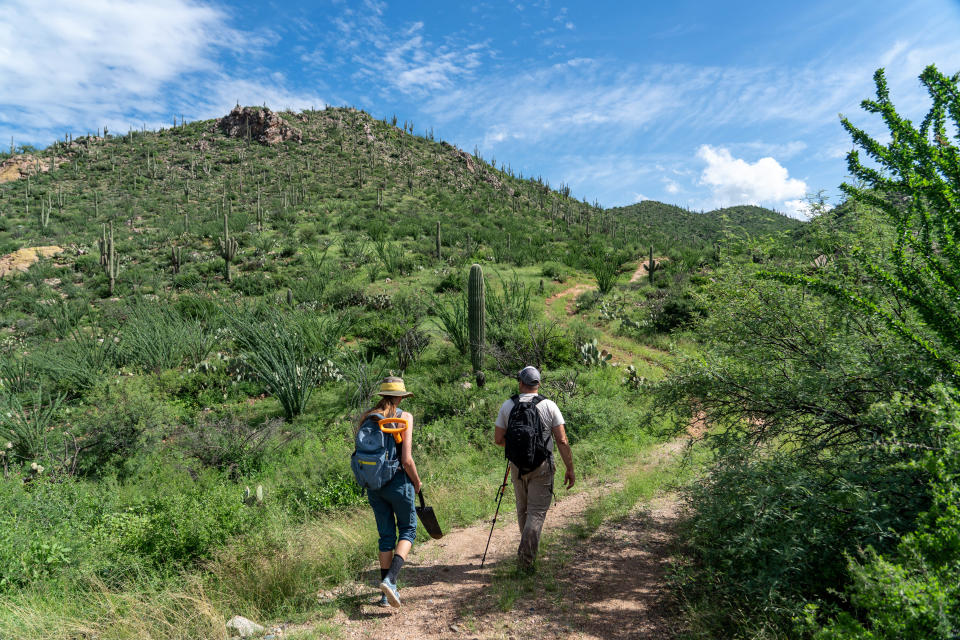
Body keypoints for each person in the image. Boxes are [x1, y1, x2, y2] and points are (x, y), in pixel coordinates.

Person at [494, 366, 575, 571]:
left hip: (516, 467)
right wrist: (569, 469)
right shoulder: (549, 406)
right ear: (538, 384)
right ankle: (525, 561)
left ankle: (526, 551)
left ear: (521, 383)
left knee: (523, 510)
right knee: (537, 512)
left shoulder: (508, 405)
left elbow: (498, 439)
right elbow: (562, 440)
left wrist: (518, 449)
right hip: (542, 466)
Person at [357, 376, 423, 608]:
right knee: (408, 530)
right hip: (398, 483)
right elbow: (406, 459)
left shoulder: (368, 417)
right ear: (401, 397)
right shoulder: (404, 417)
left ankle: (385, 595)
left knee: (386, 536)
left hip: (374, 485)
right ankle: (391, 580)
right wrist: (416, 481)